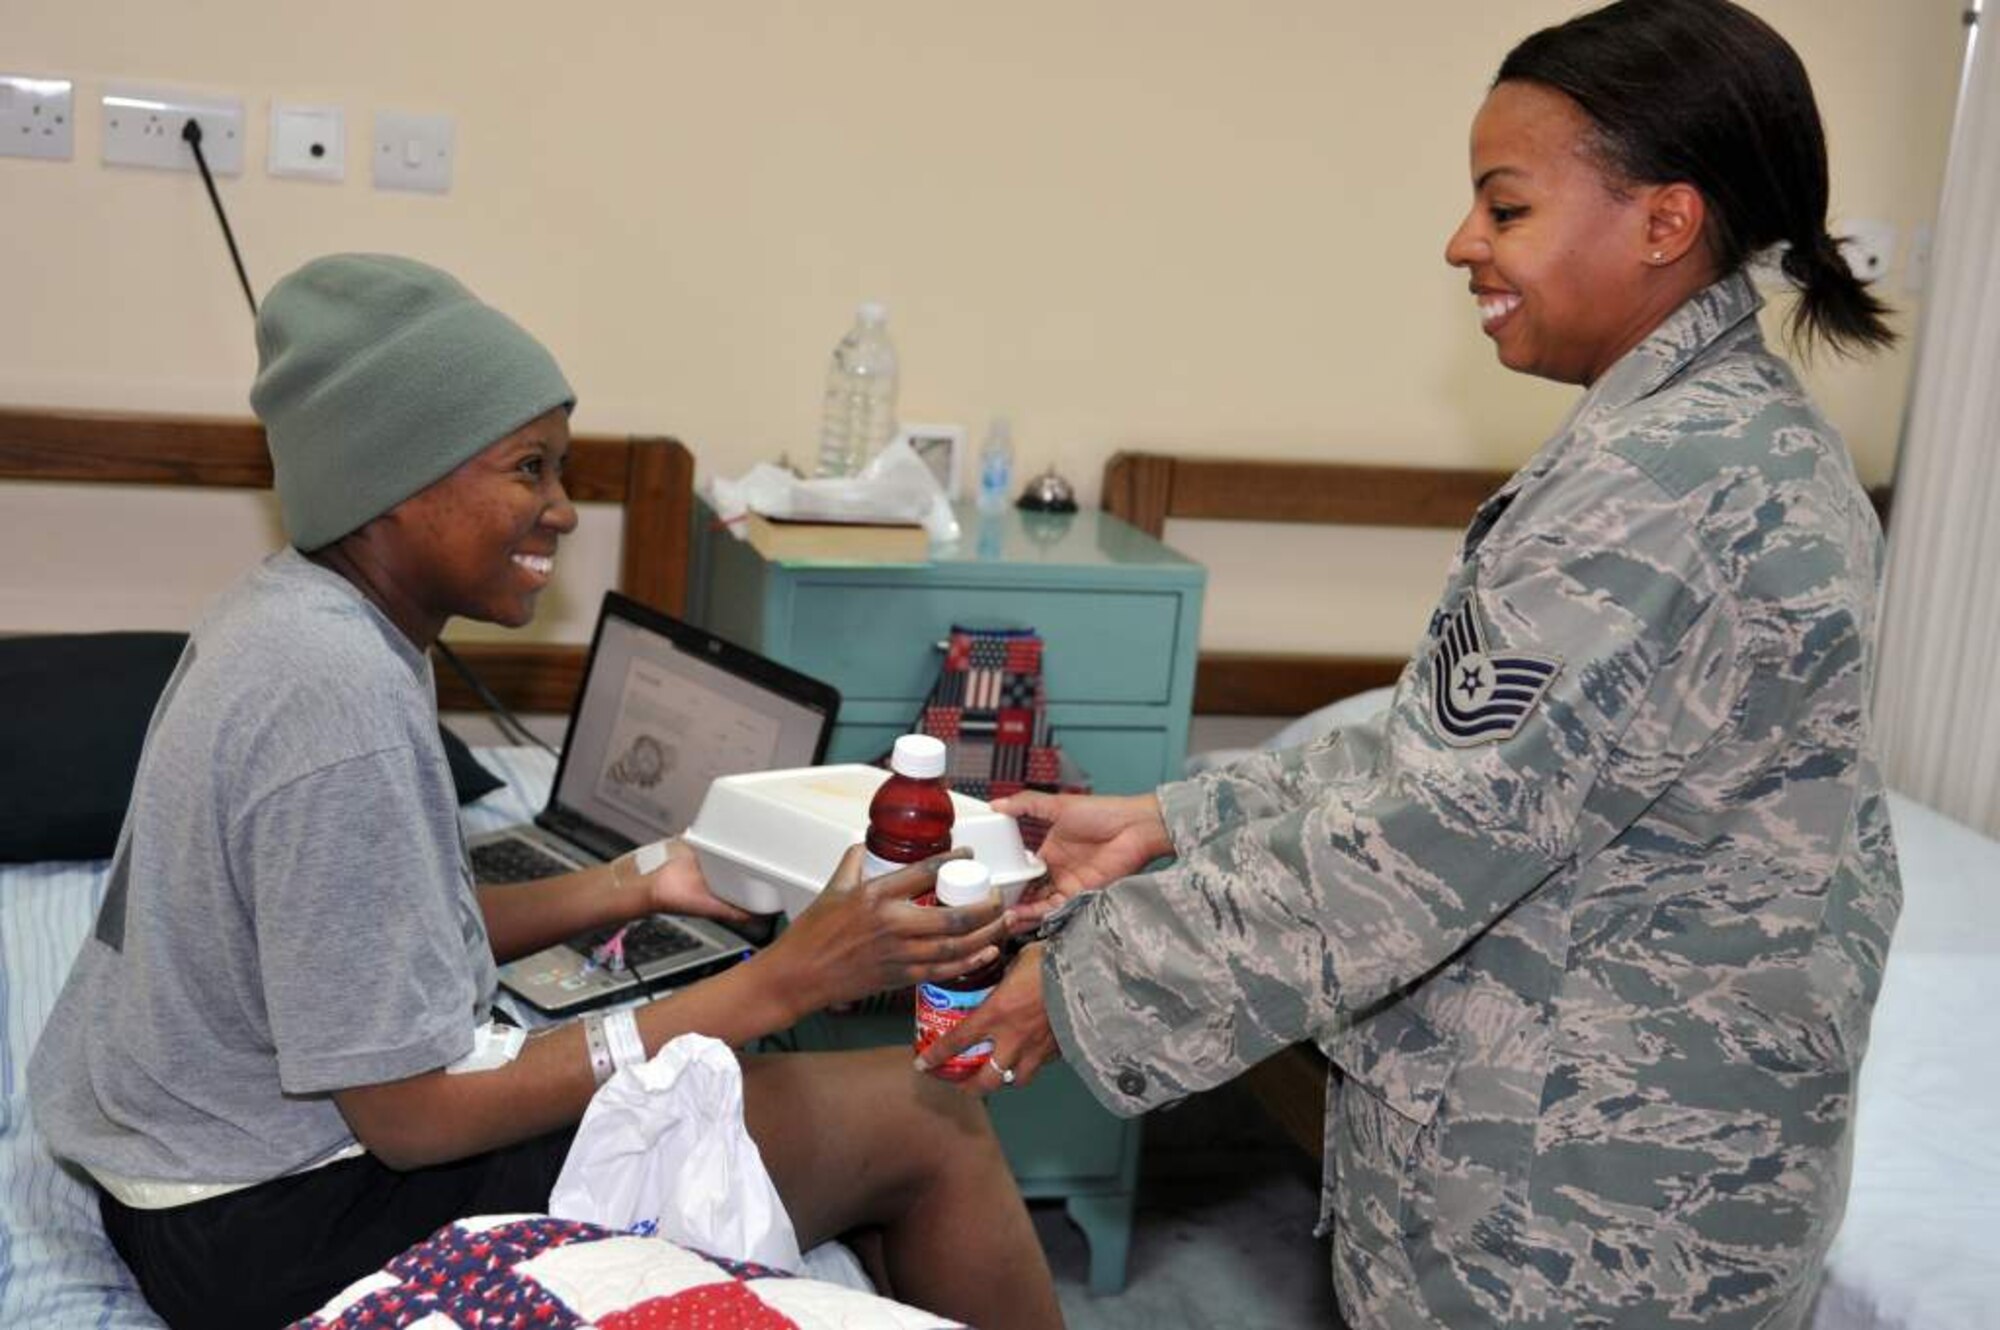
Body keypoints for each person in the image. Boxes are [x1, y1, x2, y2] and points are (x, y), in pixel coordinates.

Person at [920, 2, 1902, 1326]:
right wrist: (1172, 817)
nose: (1462, 244)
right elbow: (1440, 740)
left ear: (1664, 222)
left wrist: (1089, 981)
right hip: (1628, 1179)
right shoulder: (1715, 437)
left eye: (1505, 208)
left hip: (1591, 1218)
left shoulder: (1663, 482)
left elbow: (1424, 836)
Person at [28, 253, 1063, 1330]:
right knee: (926, 1122)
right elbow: (410, 1121)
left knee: (815, 1120)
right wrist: (782, 985)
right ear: (395, 476)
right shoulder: (335, 699)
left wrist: (640, 883)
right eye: (529, 468)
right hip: (284, 1225)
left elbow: (368, 934)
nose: (562, 511)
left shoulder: (296, 617)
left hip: (188, 1184)